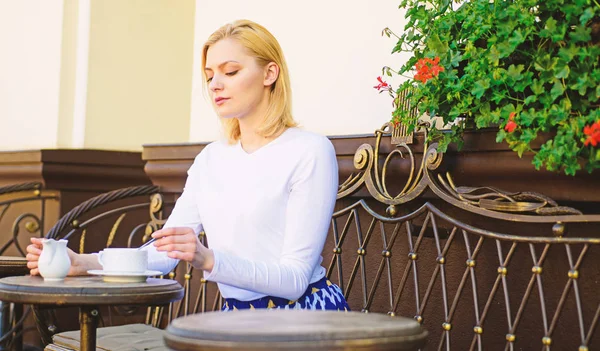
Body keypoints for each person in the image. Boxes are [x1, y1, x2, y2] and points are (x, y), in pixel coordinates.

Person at [26, 19, 350, 312]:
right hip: (237, 321)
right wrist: (82, 262)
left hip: (306, 317)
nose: (215, 85)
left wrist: (208, 258)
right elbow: (164, 252)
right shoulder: (211, 159)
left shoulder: (309, 150)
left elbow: (294, 279)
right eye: (210, 75)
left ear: (270, 73)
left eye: (230, 71)